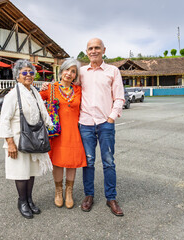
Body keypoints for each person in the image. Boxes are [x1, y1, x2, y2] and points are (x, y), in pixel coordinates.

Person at [0, 59, 53, 219]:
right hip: (17, 140)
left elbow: (42, 114)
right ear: (17, 76)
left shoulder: (34, 92)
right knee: (21, 172)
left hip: (34, 138)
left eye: (31, 72)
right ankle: (22, 201)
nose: (28, 75)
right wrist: (10, 143)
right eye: (24, 72)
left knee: (31, 172)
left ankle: (29, 199)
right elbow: (4, 120)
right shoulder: (12, 95)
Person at [78, 38, 125, 216]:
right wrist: (46, 86)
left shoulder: (112, 71)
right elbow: (67, 86)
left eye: (97, 47)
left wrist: (111, 118)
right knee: (88, 162)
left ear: (104, 50)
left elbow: (119, 97)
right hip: (86, 123)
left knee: (108, 162)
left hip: (105, 123)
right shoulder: (81, 72)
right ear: (86, 51)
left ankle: (111, 198)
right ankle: (89, 195)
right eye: (90, 48)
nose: (94, 51)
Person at [39, 58, 86, 209]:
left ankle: (69, 192)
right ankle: (58, 191)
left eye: (73, 71)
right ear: (61, 71)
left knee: (72, 163)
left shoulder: (78, 90)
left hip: (74, 132)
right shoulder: (51, 88)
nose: (69, 73)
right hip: (57, 133)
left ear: (75, 75)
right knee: (58, 163)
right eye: (67, 70)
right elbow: (35, 100)